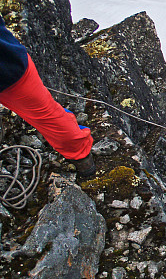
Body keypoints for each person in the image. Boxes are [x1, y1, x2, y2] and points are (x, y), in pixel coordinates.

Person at [0, 16, 96, 178]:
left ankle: (82, 158)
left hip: (11, 70)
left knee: (48, 114)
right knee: (48, 115)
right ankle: (83, 161)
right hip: (10, 68)